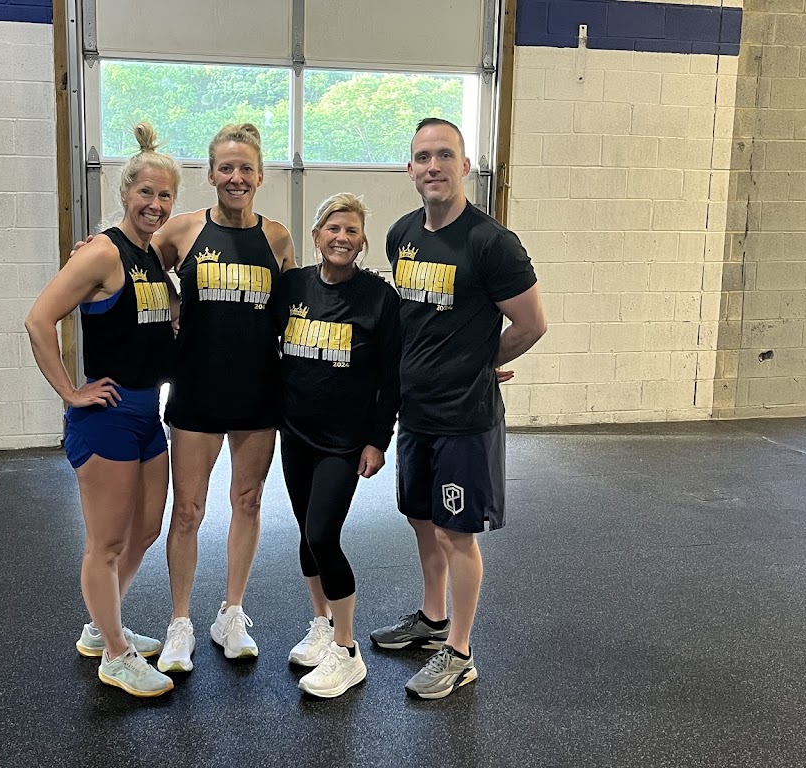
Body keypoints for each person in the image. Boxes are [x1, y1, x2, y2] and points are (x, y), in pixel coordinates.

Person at [370, 118, 547, 699]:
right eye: (423, 157)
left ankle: (460, 651)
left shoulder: (491, 243)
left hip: (466, 419)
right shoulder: (401, 235)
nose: (433, 166)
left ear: (465, 165)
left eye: (445, 155)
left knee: (456, 534)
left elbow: (531, 324)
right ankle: (432, 618)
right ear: (410, 169)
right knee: (421, 519)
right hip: (415, 412)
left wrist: (480, 361)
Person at [24, 122, 179, 697]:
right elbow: (39, 320)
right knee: (106, 543)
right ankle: (115, 654)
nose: (155, 204)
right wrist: (71, 392)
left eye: (165, 195)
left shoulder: (151, 255)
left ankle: (102, 626)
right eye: (146, 192)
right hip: (107, 415)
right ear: (125, 192)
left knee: (146, 530)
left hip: (147, 414)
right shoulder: (102, 252)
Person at [151, 124, 296, 672]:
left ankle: (231, 613)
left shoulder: (277, 238)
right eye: (226, 168)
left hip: (258, 390)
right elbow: (134, 260)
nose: (236, 177)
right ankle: (179, 622)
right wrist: (95, 249)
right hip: (197, 390)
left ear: (260, 176)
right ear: (211, 175)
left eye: (246, 168)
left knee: (248, 502)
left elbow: (296, 309)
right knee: (187, 511)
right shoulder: (185, 230)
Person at [275, 193, 401, 698]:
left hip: (344, 443)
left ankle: (347, 653)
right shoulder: (293, 286)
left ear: (362, 241)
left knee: (323, 535)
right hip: (295, 433)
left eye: (351, 231)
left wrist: (378, 440)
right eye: (333, 228)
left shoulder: (379, 298)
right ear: (316, 236)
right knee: (307, 535)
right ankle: (322, 623)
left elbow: (390, 378)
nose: (341, 238)